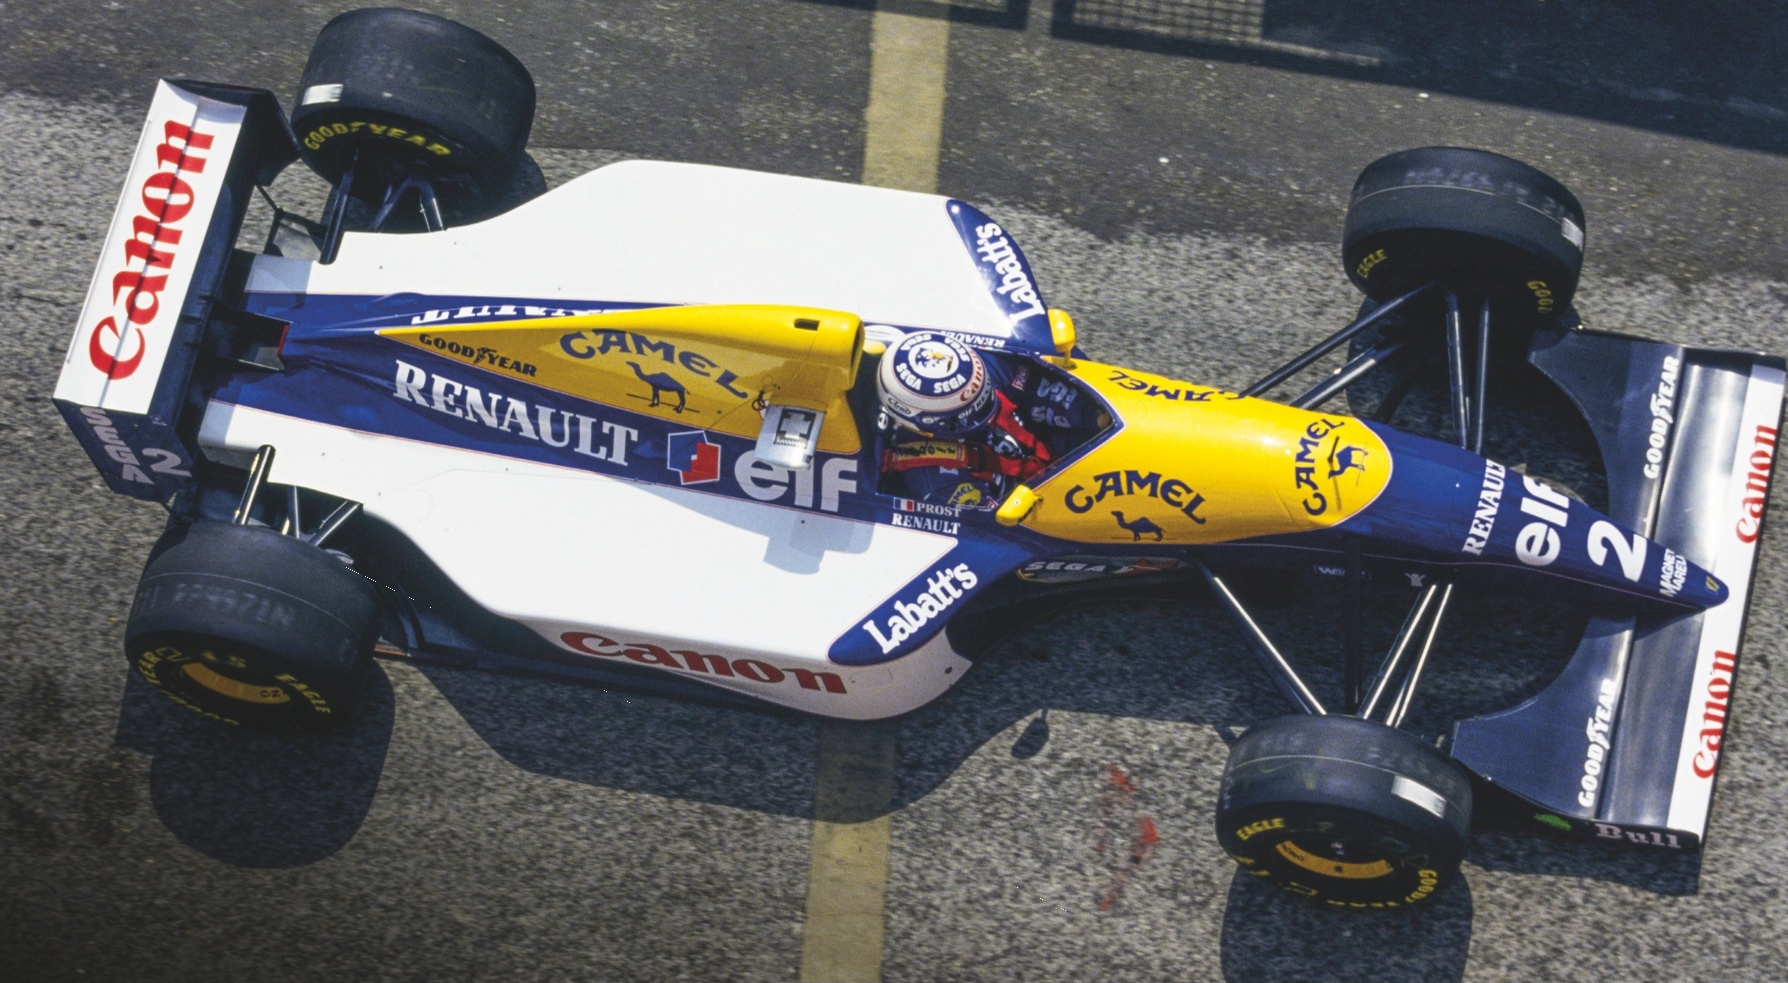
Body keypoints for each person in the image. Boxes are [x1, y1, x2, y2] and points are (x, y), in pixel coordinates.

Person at [875, 331, 1096, 508]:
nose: (984, 412)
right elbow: (999, 523)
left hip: (1057, 448)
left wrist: (1093, 416)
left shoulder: (977, 368)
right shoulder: (935, 483)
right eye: (964, 414)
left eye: (982, 394)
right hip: (1037, 502)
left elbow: (1040, 392)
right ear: (925, 426)